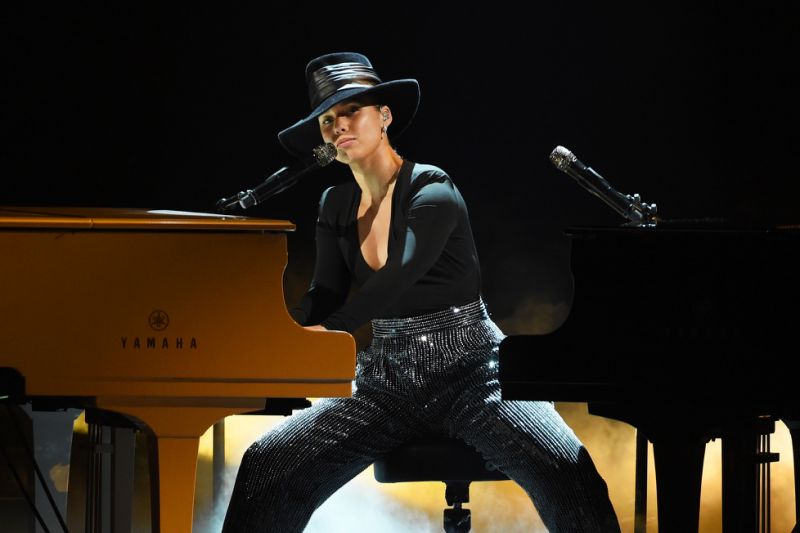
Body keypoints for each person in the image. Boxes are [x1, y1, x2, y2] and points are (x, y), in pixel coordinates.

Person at [222, 52, 620, 532]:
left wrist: (324, 333)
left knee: (566, 472)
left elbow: (398, 275)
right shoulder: (335, 202)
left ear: (385, 116)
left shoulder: (432, 188)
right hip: (383, 378)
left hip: (476, 372)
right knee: (267, 464)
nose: (338, 125)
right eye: (328, 120)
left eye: (351, 111)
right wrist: (286, 331)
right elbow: (325, 291)